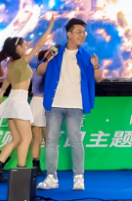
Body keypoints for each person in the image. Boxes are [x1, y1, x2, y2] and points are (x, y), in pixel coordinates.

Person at [37, 18, 103, 191]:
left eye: (84, 33)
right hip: (54, 103)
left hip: (75, 104)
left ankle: (79, 178)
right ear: (69, 34)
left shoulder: (87, 56)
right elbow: (39, 71)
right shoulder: (55, 53)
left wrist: (96, 66)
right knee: (51, 141)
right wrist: (47, 59)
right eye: (78, 32)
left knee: (75, 141)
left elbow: (98, 78)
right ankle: (51, 178)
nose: (82, 36)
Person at [0, 20, 55, 182]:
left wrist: (1, 92)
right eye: (24, 44)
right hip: (19, 101)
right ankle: (21, 171)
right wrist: (50, 26)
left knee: (17, 139)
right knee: (26, 138)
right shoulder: (22, 60)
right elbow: (39, 45)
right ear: (18, 48)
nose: (27, 45)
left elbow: (8, 79)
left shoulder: (11, 63)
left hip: (13, 100)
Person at [28, 47, 52, 178]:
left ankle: (36, 166)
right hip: (47, 104)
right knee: (49, 139)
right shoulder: (51, 72)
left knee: (36, 139)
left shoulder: (34, 71)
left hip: (35, 103)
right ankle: (50, 168)